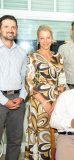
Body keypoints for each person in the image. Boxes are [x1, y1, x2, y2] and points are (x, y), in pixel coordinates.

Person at [25, 25, 66, 159]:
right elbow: (29, 83)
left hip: (56, 105)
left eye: (48, 37)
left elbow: (62, 81)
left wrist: (55, 103)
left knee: (52, 138)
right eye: (42, 38)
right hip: (38, 106)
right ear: (38, 39)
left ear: (52, 39)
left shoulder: (58, 57)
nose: (45, 41)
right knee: (38, 138)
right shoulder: (32, 57)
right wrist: (45, 103)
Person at [0, 15, 27, 160]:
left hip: (18, 101)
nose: (10, 30)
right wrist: (4, 101)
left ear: (16, 30)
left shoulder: (22, 53)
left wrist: (22, 97)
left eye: (13, 27)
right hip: (0, 100)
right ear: (0, 29)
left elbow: (25, 79)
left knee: (15, 141)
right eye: (6, 26)